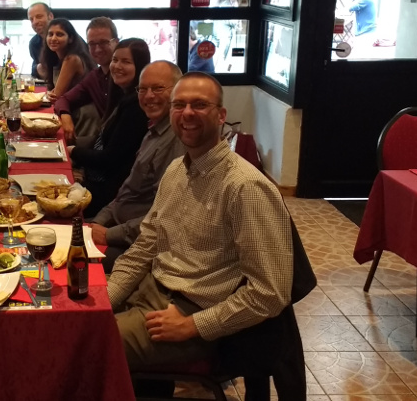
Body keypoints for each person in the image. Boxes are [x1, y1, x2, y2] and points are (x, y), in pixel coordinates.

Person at [108, 73, 304, 399]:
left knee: (86, 344)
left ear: (221, 114)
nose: (187, 113)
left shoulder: (245, 187)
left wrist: (193, 326)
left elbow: (270, 293)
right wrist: (106, 300)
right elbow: (144, 247)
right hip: (152, 291)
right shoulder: (177, 170)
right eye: (179, 105)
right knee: (73, 314)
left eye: (199, 105)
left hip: (192, 315)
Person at [90, 60, 185, 272]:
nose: (149, 96)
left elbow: (165, 218)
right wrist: (99, 221)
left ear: (178, 91)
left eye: (158, 88)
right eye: (143, 89)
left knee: (71, 260)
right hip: (117, 224)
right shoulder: (153, 131)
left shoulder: (177, 140)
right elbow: (126, 192)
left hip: (138, 244)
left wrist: (107, 235)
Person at [68, 38, 151, 218]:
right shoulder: (122, 95)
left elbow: (109, 159)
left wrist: (73, 151)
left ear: (141, 66)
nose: (117, 66)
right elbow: (102, 140)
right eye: (115, 60)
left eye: (126, 62)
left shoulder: (136, 106)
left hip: (109, 193)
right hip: (98, 180)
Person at [53, 17, 119, 144]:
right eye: (92, 44)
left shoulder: (122, 77)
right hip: (103, 140)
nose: (98, 49)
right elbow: (63, 99)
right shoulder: (95, 77)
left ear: (116, 42)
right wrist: (65, 115)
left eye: (103, 42)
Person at [40, 18, 96, 102]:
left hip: (81, 108)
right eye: (50, 34)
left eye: (59, 34)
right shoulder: (56, 59)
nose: (53, 38)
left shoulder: (72, 59)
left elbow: (56, 95)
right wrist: (49, 94)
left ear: (70, 39)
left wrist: (49, 94)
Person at [26, 2, 53, 79]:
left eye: (39, 17)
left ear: (50, 16)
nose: (35, 22)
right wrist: (38, 68)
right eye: (31, 19)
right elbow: (35, 68)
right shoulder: (34, 43)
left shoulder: (67, 38)